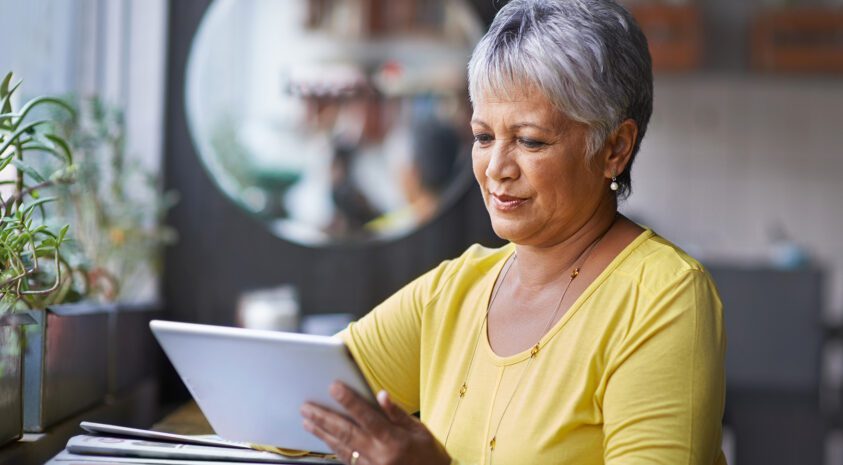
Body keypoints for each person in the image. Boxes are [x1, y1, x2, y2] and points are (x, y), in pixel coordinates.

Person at [299, 1, 726, 464]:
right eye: (483, 137)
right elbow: (291, 409)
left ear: (614, 148)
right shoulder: (454, 292)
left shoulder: (662, 298)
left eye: (530, 140)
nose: (497, 168)